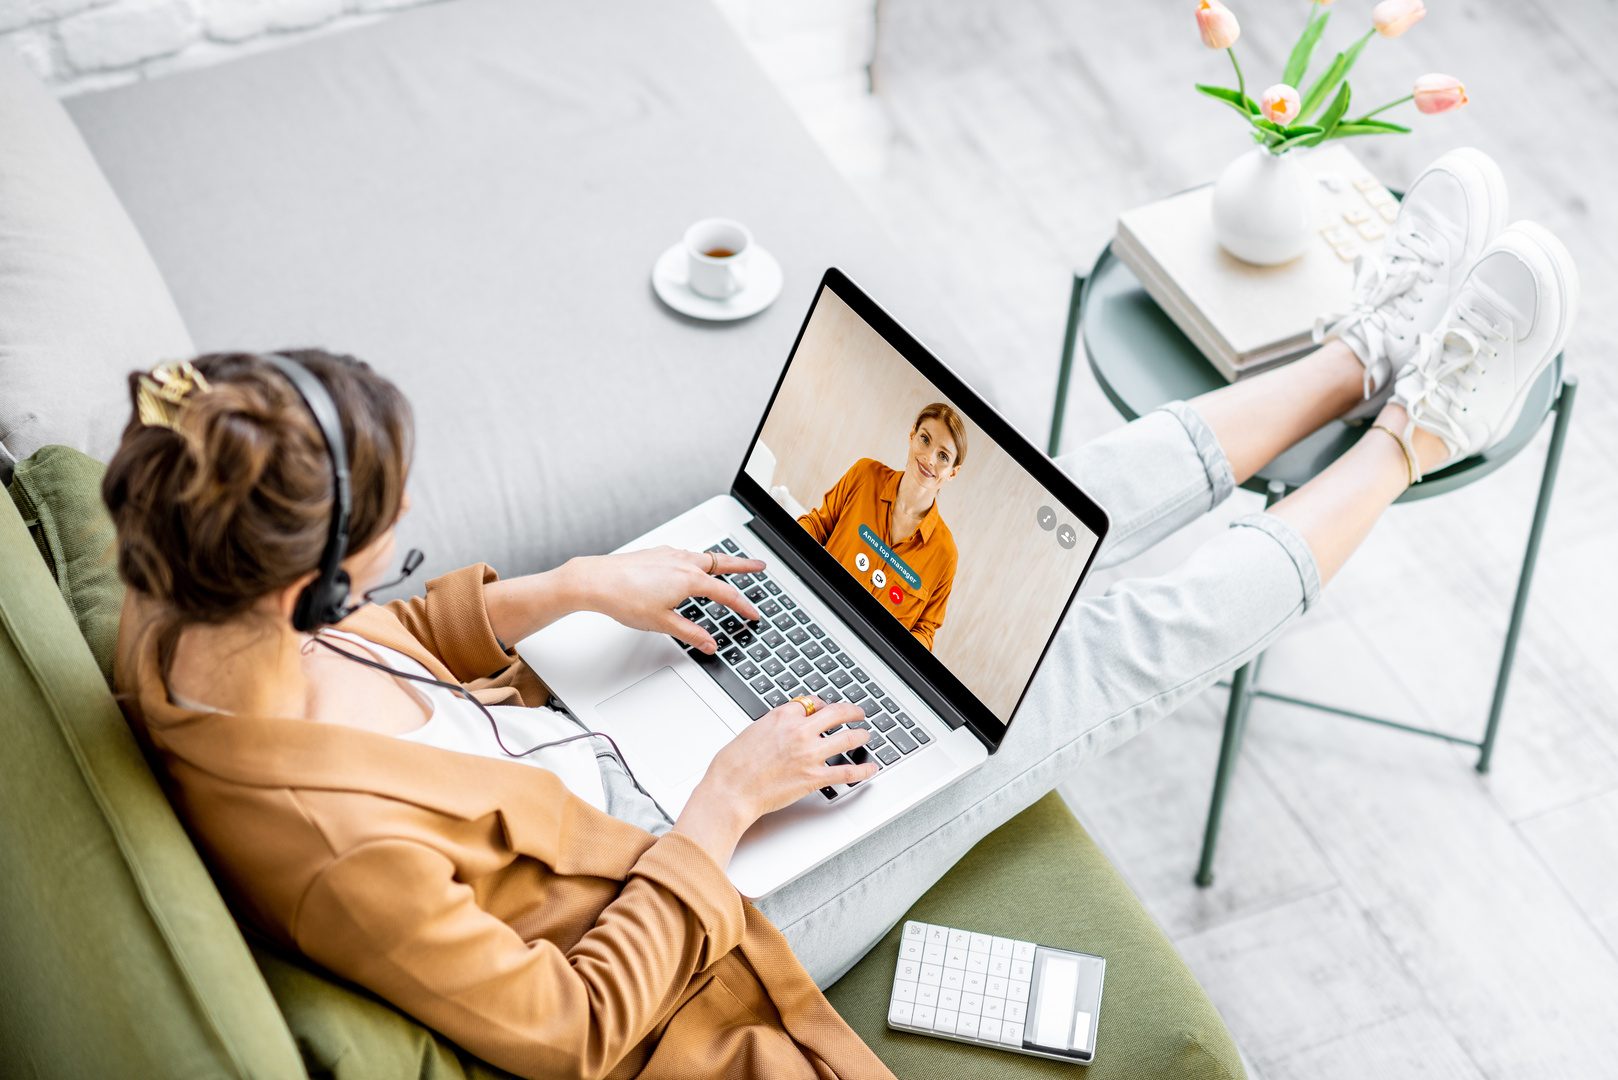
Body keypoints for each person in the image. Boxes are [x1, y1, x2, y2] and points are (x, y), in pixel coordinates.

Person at [108, 148, 1576, 1078]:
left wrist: (569, 591)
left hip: (601, 738)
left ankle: (1348, 357)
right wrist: (723, 812)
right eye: (396, 528)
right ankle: (1416, 430)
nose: (412, 546)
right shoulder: (328, 853)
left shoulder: (186, 605)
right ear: (316, 579)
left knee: (1037, 506)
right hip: (693, 900)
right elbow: (562, 1035)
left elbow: (404, 649)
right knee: (1077, 670)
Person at [796, 402, 965, 649]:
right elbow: (817, 525)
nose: (929, 458)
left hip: (868, 659)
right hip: (813, 613)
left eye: (943, 456)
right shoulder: (865, 475)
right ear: (912, 435)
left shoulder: (945, 554)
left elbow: (925, 630)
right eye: (925, 439)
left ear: (952, 472)